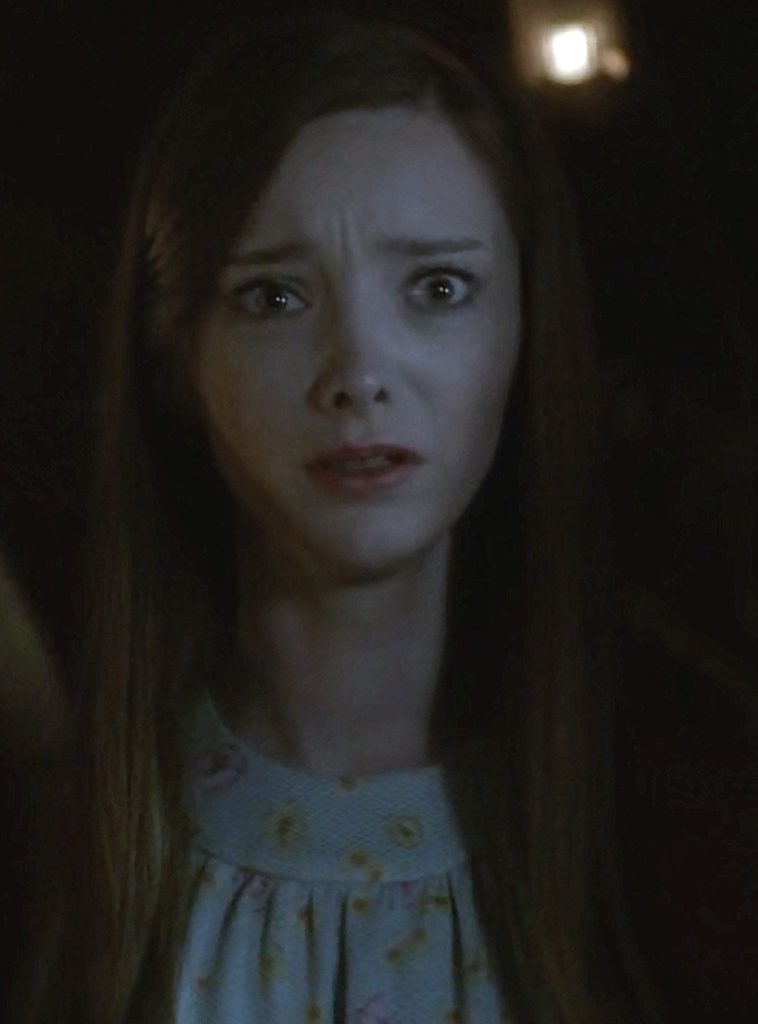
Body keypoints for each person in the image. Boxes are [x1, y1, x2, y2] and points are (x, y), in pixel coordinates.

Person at [9, 9, 667, 1024]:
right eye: (274, 299)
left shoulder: (659, 835)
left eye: (437, 287)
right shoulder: (71, 852)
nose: (358, 371)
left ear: (525, 327)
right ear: (177, 357)